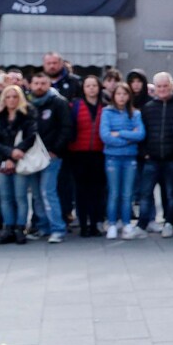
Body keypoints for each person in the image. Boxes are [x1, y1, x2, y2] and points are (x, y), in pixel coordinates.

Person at [27, 72, 74, 243]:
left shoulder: (59, 102)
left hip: (51, 155)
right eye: (36, 83)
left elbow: (66, 128)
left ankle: (58, 229)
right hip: (31, 156)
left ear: (49, 85)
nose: (39, 86)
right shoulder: (27, 103)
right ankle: (43, 227)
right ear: (30, 85)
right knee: (36, 195)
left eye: (43, 83)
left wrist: (55, 149)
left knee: (48, 192)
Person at [139, 72, 173, 237]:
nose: (162, 89)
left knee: (171, 194)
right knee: (145, 194)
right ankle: (142, 224)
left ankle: (169, 222)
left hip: (172, 159)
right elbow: (143, 132)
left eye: (165, 86)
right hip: (151, 159)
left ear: (171, 86)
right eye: (159, 86)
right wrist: (144, 153)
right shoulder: (148, 107)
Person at [0, 85, 37, 245]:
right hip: (1, 159)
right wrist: (9, 154)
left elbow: (31, 137)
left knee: (20, 196)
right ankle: (8, 227)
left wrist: (16, 153)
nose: (11, 100)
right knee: (5, 197)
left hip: (21, 159)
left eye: (15, 97)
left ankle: (20, 228)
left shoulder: (27, 114)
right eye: (8, 97)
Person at [99, 83, 146, 240]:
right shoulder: (107, 112)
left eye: (125, 94)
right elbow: (105, 136)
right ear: (114, 96)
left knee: (127, 193)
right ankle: (112, 223)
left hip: (129, 157)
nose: (121, 97)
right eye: (118, 94)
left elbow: (140, 134)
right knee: (114, 192)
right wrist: (128, 138)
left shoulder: (135, 113)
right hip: (112, 157)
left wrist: (119, 133)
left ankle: (126, 223)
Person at [68, 76, 106, 237]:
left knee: (97, 190)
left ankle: (95, 223)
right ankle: (83, 224)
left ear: (99, 87)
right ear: (83, 88)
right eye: (88, 85)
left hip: (99, 153)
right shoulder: (75, 106)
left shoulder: (105, 106)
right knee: (81, 191)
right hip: (79, 154)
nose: (91, 88)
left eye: (94, 85)